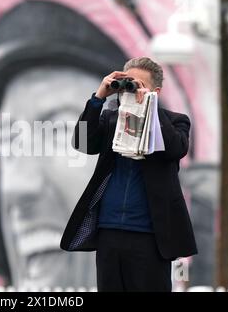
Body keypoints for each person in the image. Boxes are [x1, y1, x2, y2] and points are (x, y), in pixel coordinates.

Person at [60, 57, 198, 292]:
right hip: (109, 232)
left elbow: (176, 148)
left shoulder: (174, 122)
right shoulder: (111, 119)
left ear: (156, 91)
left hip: (150, 235)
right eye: (127, 84)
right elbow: (82, 142)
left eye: (138, 85)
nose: (131, 91)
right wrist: (97, 99)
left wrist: (150, 109)